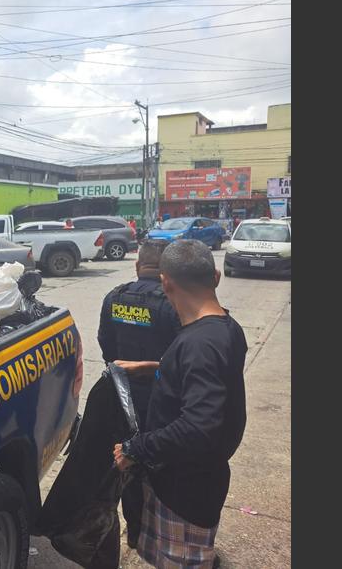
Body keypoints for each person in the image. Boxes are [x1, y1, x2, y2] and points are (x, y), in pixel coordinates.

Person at [113, 239, 248, 569]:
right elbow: (207, 378)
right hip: (201, 477)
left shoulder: (200, 344)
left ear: (165, 282)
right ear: (216, 277)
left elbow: (198, 427)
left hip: (185, 488)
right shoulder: (225, 329)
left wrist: (136, 449)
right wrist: (154, 368)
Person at [97, 239, 181, 549]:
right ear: (166, 271)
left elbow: (106, 345)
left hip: (124, 400)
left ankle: (134, 533)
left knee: (129, 463)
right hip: (164, 402)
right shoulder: (173, 304)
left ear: (137, 266)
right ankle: (163, 535)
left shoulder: (114, 298)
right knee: (163, 465)